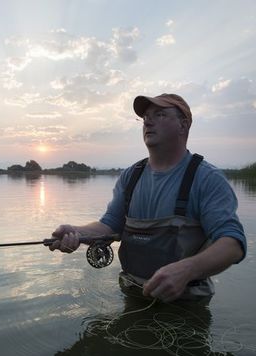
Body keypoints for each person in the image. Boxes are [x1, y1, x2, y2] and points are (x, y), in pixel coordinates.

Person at [49, 93, 246, 303]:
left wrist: (187, 270)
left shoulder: (207, 178)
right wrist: (76, 232)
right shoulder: (130, 176)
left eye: (159, 114)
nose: (148, 122)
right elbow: (109, 226)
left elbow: (233, 244)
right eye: (144, 118)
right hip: (132, 292)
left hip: (186, 304)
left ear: (183, 124)